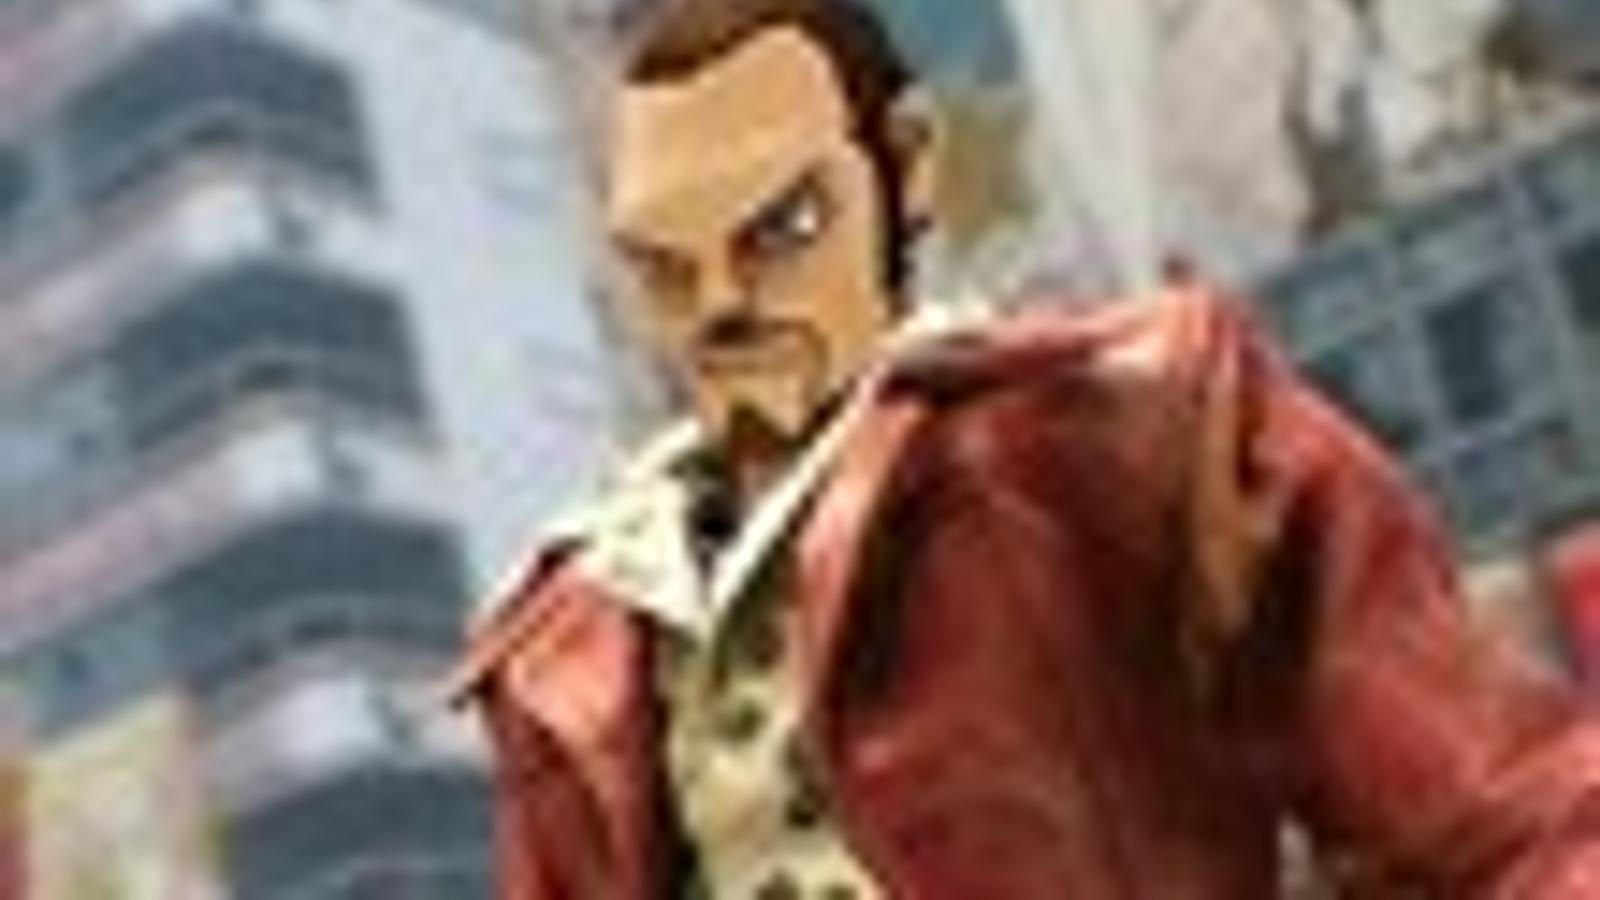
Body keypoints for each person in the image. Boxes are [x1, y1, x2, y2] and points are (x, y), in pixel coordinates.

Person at [449, 0, 1600, 896]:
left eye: (781, 228)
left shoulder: (1113, 425)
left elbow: (1497, 817)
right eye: (665, 264)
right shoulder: (572, 646)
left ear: (902, 172)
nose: (724, 302)